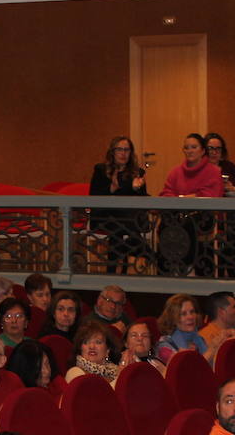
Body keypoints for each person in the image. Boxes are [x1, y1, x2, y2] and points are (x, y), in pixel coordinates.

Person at [89, 135, 148, 273]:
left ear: (131, 153)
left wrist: (136, 189)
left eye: (127, 150)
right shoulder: (101, 170)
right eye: (119, 149)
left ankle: (112, 271)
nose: (123, 153)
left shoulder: (137, 173)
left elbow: (143, 199)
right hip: (105, 216)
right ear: (112, 152)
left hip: (127, 219)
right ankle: (146, 252)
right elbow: (93, 195)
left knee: (119, 229)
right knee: (121, 227)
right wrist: (111, 189)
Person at [159, 132, 223, 198]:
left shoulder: (213, 172)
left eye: (194, 147)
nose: (190, 151)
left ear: (203, 151)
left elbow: (210, 196)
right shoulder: (175, 172)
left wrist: (182, 198)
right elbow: (165, 194)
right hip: (178, 207)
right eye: (186, 148)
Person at [66, 319, 121, 385]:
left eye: (98, 342)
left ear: (107, 350)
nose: (92, 346)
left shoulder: (117, 371)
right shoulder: (74, 372)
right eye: (86, 342)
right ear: (80, 348)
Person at [154, 293, 206, 358]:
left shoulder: (200, 339)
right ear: (172, 318)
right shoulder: (165, 346)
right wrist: (212, 350)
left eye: (192, 312)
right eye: (183, 314)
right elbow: (190, 367)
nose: (190, 317)